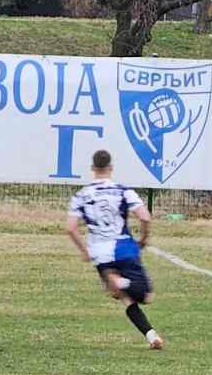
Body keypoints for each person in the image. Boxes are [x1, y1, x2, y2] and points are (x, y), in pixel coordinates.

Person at [65, 149, 163, 349]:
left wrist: (84, 250)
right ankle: (120, 280)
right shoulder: (123, 191)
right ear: (110, 168)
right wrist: (143, 239)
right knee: (146, 295)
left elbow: (70, 228)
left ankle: (152, 337)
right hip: (123, 248)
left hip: (99, 254)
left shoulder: (82, 195)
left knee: (125, 298)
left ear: (93, 168)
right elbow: (144, 217)